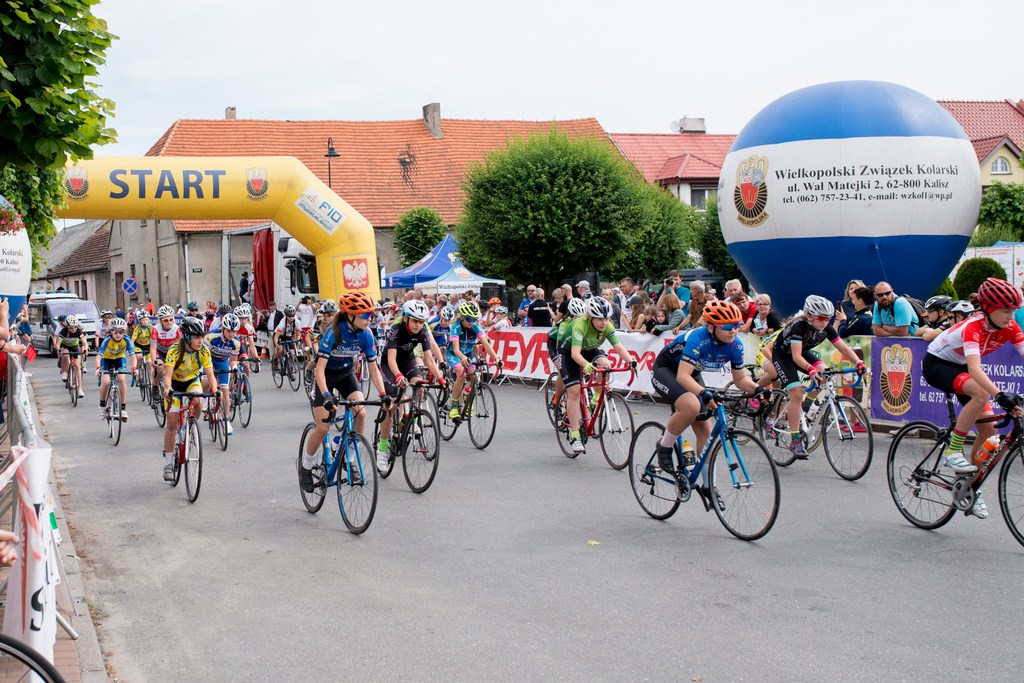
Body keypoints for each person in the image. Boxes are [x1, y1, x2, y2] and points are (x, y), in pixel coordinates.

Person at [922, 278, 1024, 519]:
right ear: (988, 308)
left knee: (990, 433)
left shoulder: (1010, 327)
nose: (1011, 316)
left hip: (961, 368)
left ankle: (968, 488)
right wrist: (1000, 396)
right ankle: (953, 451)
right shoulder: (973, 326)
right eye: (1005, 310)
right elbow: (975, 370)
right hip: (938, 364)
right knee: (980, 393)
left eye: (1013, 310)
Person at [650, 300, 767, 497]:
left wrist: (758, 388)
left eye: (737, 325)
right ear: (712, 327)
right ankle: (665, 445)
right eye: (728, 327)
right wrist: (703, 393)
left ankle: (708, 487)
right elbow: (682, 376)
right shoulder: (699, 337)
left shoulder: (735, 345)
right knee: (692, 406)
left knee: (706, 427)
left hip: (692, 373)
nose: (734, 331)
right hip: (667, 370)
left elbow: (740, 380)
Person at [301, 292, 386, 493]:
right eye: (365, 316)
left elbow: (374, 369)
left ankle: (349, 460)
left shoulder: (366, 335)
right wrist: (327, 396)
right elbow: (319, 369)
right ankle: (305, 466)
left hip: (346, 374)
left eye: (371, 315)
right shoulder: (334, 332)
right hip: (326, 376)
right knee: (323, 428)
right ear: (350, 315)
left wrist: (383, 395)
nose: (369, 319)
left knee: (361, 413)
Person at [762, 295, 867, 458]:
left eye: (828, 318)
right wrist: (810, 369)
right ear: (810, 315)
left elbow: (844, 349)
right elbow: (796, 357)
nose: (825, 322)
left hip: (802, 353)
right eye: (821, 318)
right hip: (783, 356)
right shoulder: (799, 326)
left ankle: (806, 405)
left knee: (825, 374)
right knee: (796, 393)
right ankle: (795, 440)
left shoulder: (826, 328)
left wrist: (859, 362)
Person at [376, 300, 446, 471]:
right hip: (390, 364)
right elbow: (391, 359)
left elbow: (429, 359)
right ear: (406, 318)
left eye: (421, 321)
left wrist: (441, 379)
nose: (418, 324)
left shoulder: (422, 331)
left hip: (408, 361)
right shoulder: (396, 328)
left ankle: (413, 418)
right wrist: (398, 375)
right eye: (415, 320)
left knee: (420, 384)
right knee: (392, 403)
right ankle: (383, 449)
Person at [562, 297, 637, 454]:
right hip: (570, 352)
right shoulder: (579, 325)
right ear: (591, 317)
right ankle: (575, 435)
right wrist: (586, 365)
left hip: (590, 349)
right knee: (574, 392)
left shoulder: (607, 326)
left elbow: (619, 347)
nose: (604, 322)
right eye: (600, 319)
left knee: (606, 366)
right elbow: (575, 354)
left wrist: (631, 361)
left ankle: (594, 402)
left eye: (607, 318)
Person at [160, 317, 217, 481]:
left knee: (198, 399)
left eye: (202, 337)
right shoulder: (174, 351)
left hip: (191, 381)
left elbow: (210, 375)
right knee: (171, 422)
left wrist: (215, 390)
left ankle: (191, 425)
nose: (201, 341)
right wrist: (168, 389)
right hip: (175, 384)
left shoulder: (204, 351)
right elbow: (168, 376)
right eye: (197, 338)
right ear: (186, 337)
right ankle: (169, 463)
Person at [446, 301, 503, 421]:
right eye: (469, 319)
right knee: (461, 373)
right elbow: (456, 349)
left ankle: (467, 393)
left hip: (467, 353)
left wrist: (496, 358)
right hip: (454, 354)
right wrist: (462, 358)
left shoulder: (476, 326)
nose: (471, 322)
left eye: (474, 319)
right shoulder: (456, 327)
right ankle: (454, 406)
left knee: (474, 376)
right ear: (462, 317)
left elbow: (486, 345)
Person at [205, 313, 241, 436]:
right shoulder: (211, 336)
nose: (232, 334)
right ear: (223, 329)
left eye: (235, 331)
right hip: (208, 360)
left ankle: (226, 420)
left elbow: (233, 359)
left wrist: (235, 367)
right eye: (230, 331)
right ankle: (205, 402)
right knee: (205, 381)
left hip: (222, 362)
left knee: (225, 391)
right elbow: (202, 354)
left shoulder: (236, 342)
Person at [96, 318, 136, 420]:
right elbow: (98, 356)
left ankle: (123, 408)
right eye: (115, 331)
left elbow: (132, 356)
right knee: (106, 382)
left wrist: (134, 368)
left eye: (121, 332)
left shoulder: (126, 339)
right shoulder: (107, 340)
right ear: (110, 331)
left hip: (119, 359)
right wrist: (98, 368)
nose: (118, 334)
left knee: (122, 380)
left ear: (124, 331)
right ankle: (101, 406)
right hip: (106, 359)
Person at [58, 315, 89, 397]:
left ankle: (80, 389)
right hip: (65, 346)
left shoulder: (79, 331)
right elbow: (57, 344)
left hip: (75, 347)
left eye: (75, 327)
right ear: (67, 326)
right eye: (71, 328)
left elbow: (85, 343)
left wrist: (85, 349)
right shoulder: (63, 331)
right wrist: (58, 350)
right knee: (65, 354)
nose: (74, 329)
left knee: (77, 366)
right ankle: (64, 371)